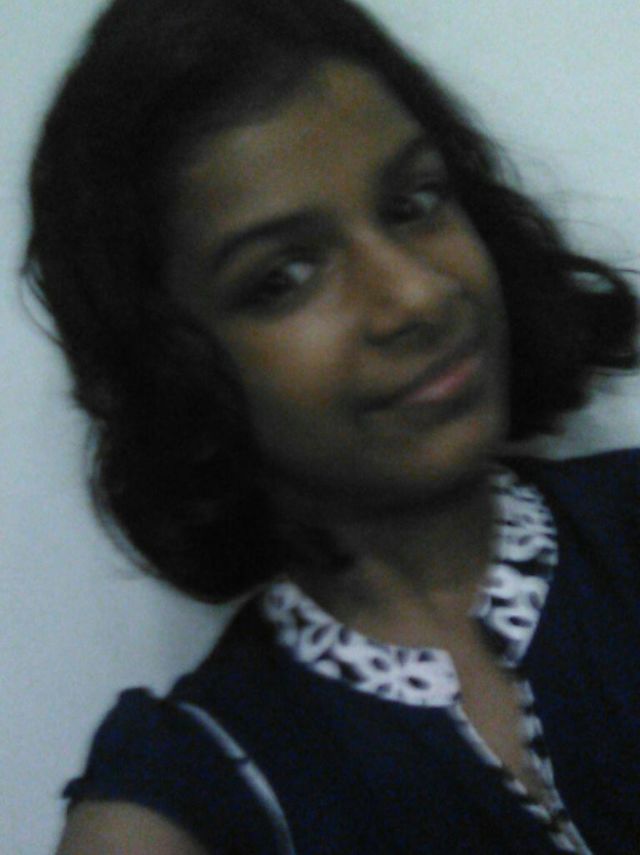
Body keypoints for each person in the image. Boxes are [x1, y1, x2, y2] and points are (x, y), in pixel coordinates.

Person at [24, 0, 639, 852]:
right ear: (171, 366)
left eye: (415, 202)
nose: (416, 295)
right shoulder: (197, 781)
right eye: (284, 276)